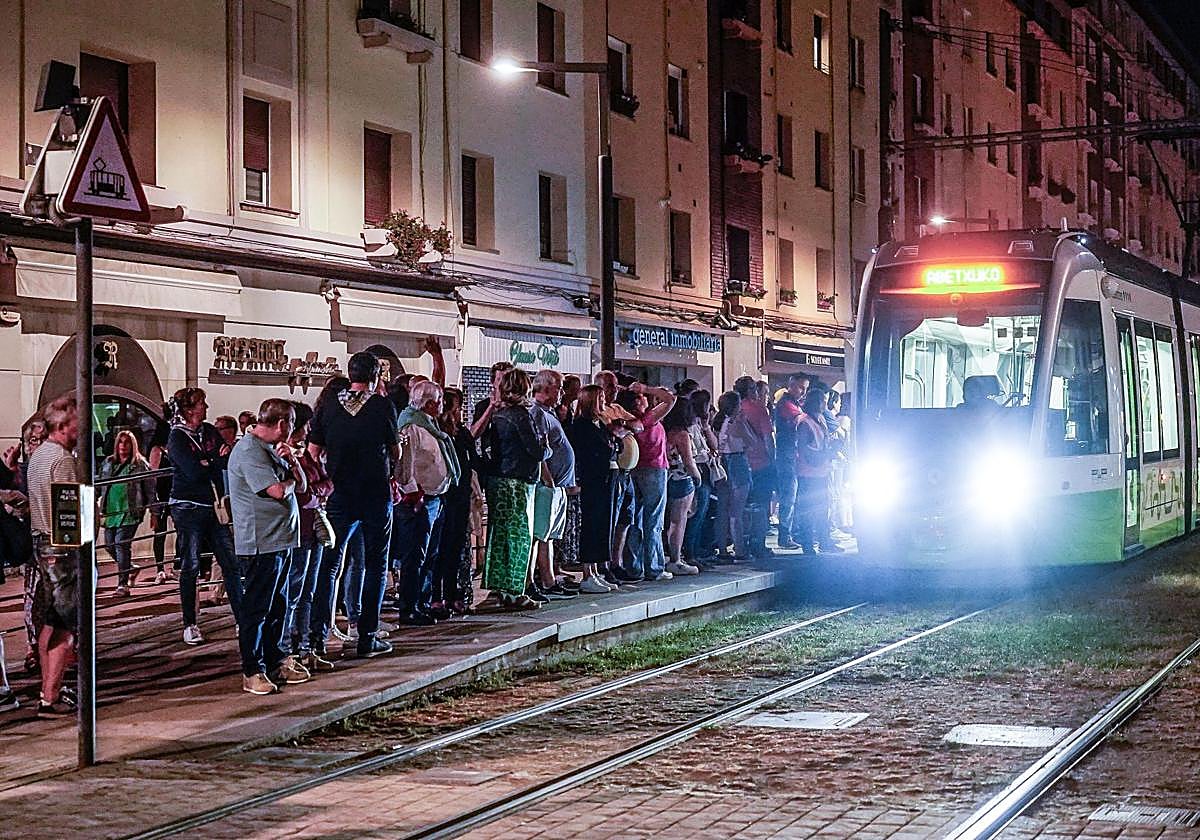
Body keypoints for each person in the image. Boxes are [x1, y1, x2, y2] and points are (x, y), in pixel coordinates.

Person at [307, 352, 401, 658]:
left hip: (340, 493)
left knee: (329, 565)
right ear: (376, 376)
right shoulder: (382, 406)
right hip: (375, 494)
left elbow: (313, 451)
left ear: (350, 375)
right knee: (375, 564)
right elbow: (395, 451)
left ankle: (318, 638)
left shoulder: (329, 406)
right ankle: (367, 637)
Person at [227, 398, 310, 695]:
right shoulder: (250, 451)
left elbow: (302, 486)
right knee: (257, 609)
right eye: (292, 424)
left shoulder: (274, 449)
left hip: (281, 539)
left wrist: (294, 464)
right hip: (261, 543)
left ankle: (276, 660)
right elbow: (277, 490)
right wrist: (290, 482)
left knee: (279, 605)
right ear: (282, 424)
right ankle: (252, 669)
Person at [167, 387, 242, 646]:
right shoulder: (177, 437)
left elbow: (227, 459)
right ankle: (190, 623)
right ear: (189, 410)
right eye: (202, 403)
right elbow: (192, 471)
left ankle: (242, 619)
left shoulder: (209, 431)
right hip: (187, 507)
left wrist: (207, 461)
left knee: (230, 562)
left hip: (213, 505)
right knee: (190, 564)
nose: (206, 407)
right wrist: (212, 460)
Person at [26, 396, 80, 715]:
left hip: (41, 542)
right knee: (64, 622)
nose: (79, 429)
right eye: (75, 423)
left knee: (50, 617)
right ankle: (50, 695)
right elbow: (69, 515)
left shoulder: (38, 456)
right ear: (61, 426)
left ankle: (48, 688)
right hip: (60, 547)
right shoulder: (62, 460)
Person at [482, 368, 550, 609]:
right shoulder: (521, 416)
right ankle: (515, 591)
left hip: (499, 480)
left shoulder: (498, 415)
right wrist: (546, 447)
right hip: (518, 484)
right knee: (519, 538)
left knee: (500, 538)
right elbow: (536, 451)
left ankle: (500, 589)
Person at [393, 380, 459, 625]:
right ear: (430, 404)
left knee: (430, 555)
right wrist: (414, 493)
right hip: (419, 500)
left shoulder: (429, 424)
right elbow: (404, 465)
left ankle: (424, 601)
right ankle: (410, 607)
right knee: (415, 556)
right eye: (439, 401)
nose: (442, 405)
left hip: (435, 497)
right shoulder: (412, 426)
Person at [286, 401, 335, 673]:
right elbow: (301, 494)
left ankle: (306, 648)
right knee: (294, 592)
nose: (308, 431)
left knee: (309, 591)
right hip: (299, 532)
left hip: (314, 530)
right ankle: (290, 649)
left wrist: (315, 492)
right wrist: (316, 493)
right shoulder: (286, 458)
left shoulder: (307, 456)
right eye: (306, 426)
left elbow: (328, 483)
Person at [614, 382, 677, 581]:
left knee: (635, 521)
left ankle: (634, 567)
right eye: (642, 397)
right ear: (637, 402)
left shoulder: (626, 419)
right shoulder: (647, 418)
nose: (646, 398)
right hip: (654, 469)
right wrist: (645, 388)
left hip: (634, 469)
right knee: (654, 519)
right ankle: (654, 566)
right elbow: (670, 399)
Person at [529, 370, 577, 598]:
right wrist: (548, 481)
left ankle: (549, 579)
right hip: (548, 486)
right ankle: (542, 580)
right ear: (546, 388)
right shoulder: (537, 413)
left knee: (548, 535)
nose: (561, 393)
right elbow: (541, 451)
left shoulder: (549, 413)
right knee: (541, 534)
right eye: (558, 388)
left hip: (557, 486)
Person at [566, 385, 619, 594]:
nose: (604, 400)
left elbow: (616, 444)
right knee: (591, 524)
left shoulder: (602, 423)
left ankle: (597, 570)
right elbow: (588, 453)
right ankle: (587, 572)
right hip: (592, 480)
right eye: (601, 397)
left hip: (606, 477)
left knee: (603, 524)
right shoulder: (581, 425)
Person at [434, 387, 478, 617]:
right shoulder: (438, 433)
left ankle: (452, 594)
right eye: (458, 408)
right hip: (445, 495)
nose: (461, 412)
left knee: (454, 547)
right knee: (441, 548)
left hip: (459, 496)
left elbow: (473, 461)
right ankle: (437, 596)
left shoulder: (461, 433)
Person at [98, 430, 155, 597]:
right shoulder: (108, 463)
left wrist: (154, 512)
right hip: (111, 511)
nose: (123, 445)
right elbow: (99, 485)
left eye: (127, 442)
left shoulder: (140, 465)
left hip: (130, 511)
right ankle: (129, 568)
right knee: (109, 545)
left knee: (121, 545)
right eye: (121, 442)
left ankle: (122, 584)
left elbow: (150, 490)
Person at [734, 376, 775, 560]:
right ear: (751, 391)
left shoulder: (736, 409)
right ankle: (758, 544)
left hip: (741, 462)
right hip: (761, 462)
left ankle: (742, 543)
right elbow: (767, 438)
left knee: (743, 507)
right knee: (761, 506)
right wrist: (773, 459)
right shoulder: (759, 409)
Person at [794, 387, 834, 554]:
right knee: (808, 511)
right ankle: (808, 544)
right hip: (808, 473)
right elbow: (803, 449)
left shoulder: (820, 419)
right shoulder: (805, 422)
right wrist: (821, 455)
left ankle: (825, 541)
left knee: (823, 509)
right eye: (824, 401)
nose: (826, 404)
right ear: (816, 402)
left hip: (822, 471)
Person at [663, 399, 700, 576]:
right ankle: (676, 559)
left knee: (670, 520)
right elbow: (688, 461)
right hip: (682, 478)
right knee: (679, 521)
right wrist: (698, 478)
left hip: (668, 477)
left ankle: (670, 555)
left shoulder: (666, 431)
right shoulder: (682, 435)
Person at [715, 390, 754, 561]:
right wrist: (744, 423)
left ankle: (723, 549)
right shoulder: (737, 423)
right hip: (737, 462)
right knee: (736, 510)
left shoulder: (721, 422)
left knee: (723, 509)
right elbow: (752, 441)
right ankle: (740, 550)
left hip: (724, 462)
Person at [683, 389, 719, 566]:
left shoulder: (700, 424)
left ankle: (696, 551)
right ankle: (690, 553)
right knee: (695, 513)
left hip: (705, 470)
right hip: (697, 471)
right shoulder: (689, 426)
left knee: (702, 513)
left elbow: (714, 445)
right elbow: (695, 452)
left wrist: (706, 426)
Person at [773, 374, 809, 550]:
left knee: (792, 497)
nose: (803, 392)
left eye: (805, 388)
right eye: (801, 387)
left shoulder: (794, 404)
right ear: (791, 385)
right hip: (786, 457)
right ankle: (785, 536)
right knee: (789, 497)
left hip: (792, 456)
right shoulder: (786, 404)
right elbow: (801, 420)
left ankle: (791, 533)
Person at [148, 411, 176, 585]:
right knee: (160, 532)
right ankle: (160, 569)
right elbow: (153, 476)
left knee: (180, 530)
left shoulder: (173, 449)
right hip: (161, 495)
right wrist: (154, 505)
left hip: (174, 493)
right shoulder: (157, 450)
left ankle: (176, 565)